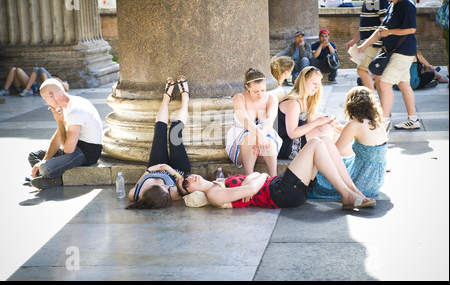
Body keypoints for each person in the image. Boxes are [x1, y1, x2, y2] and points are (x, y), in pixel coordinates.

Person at [183, 135, 376, 210]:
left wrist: (258, 178)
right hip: (280, 193)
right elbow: (250, 188)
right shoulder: (214, 194)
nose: (188, 178)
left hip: (279, 186)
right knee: (315, 143)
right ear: (192, 193)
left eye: (185, 177)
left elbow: (254, 182)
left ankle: (354, 192)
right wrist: (260, 177)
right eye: (186, 184)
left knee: (324, 140)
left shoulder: (219, 185)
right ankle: (346, 195)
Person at [358, 0, 420, 130]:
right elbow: (381, 30)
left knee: (385, 83)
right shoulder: (393, 5)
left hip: (403, 51)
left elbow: (411, 29)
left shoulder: (406, 5)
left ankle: (383, 121)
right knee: (404, 84)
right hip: (396, 51)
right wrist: (364, 45)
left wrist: (390, 33)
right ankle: (413, 119)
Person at [126, 76, 193, 209]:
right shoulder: (171, 194)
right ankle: (185, 98)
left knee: (159, 131)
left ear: (149, 188)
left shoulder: (134, 194)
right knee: (175, 131)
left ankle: (166, 99)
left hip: (155, 168)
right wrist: (169, 170)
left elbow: (138, 184)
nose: (167, 186)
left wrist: (150, 170)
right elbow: (183, 184)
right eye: (167, 188)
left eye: (164, 187)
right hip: (177, 170)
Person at [311, 86, 388, 198]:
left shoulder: (354, 125)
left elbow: (334, 153)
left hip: (361, 179)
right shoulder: (377, 123)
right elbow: (363, 136)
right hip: (375, 181)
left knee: (322, 171)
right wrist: (340, 128)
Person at [27, 78, 102, 189]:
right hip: (75, 147)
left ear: (51, 95)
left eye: (45, 99)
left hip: (86, 153)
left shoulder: (75, 109)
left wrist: (60, 122)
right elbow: (58, 138)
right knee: (34, 156)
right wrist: (45, 159)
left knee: (44, 168)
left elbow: (68, 150)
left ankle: (53, 177)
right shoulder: (67, 105)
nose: (46, 103)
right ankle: (52, 177)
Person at [225, 68, 282, 177]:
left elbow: (270, 118)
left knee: (269, 140)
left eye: (263, 90)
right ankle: (249, 177)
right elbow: (244, 119)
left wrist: (262, 135)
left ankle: (274, 178)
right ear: (247, 87)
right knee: (250, 137)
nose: (260, 94)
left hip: (264, 145)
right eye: (256, 91)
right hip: (243, 147)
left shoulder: (271, 98)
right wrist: (259, 134)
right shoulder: (239, 98)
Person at [277, 66, 342, 160]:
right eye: (314, 83)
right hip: (287, 145)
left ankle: (346, 166)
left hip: (297, 139)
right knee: (326, 130)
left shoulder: (306, 99)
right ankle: (326, 162)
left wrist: (325, 121)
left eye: (319, 84)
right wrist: (318, 122)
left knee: (335, 134)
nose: (317, 87)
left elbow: (309, 122)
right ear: (303, 82)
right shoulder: (294, 103)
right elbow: (292, 133)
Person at [346, 0, 389, 91]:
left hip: (373, 43)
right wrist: (354, 41)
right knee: (376, 75)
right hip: (370, 42)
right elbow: (365, 24)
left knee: (362, 71)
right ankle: (379, 104)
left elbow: (384, 22)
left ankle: (372, 102)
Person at [0, 67, 69, 97]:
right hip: (27, 86)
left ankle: (28, 90)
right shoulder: (40, 78)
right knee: (14, 69)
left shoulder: (59, 81)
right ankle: (6, 89)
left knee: (40, 69)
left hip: (34, 88)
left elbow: (66, 89)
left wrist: (59, 80)